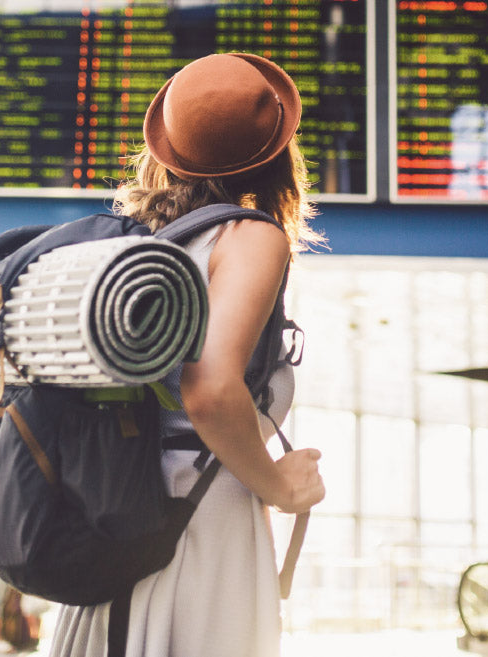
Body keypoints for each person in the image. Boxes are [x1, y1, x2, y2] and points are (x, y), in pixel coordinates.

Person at [48, 52, 327, 657]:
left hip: (120, 516)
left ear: (166, 149)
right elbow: (210, 390)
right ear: (278, 153)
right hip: (197, 524)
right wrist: (278, 484)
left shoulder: (135, 245)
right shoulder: (251, 237)